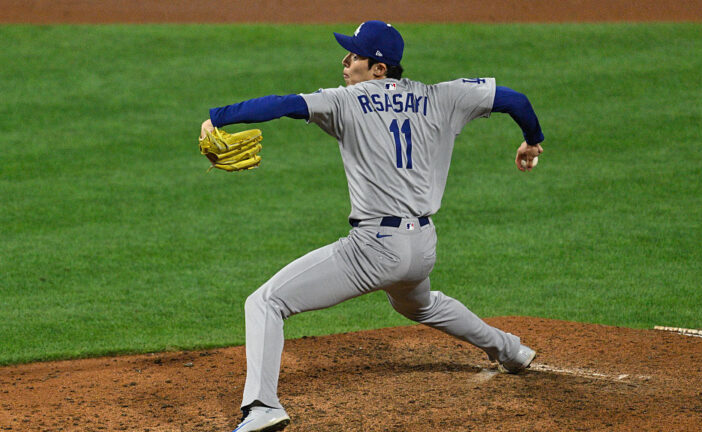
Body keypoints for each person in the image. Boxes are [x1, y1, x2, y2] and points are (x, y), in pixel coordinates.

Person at [201, 20, 545, 432]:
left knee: (266, 302)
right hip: (422, 245)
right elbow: (516, 99)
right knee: (419, 305)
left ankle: (262, 406)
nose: (345, 62)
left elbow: (282, 104)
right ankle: (510, 350)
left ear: (379, 68)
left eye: (355, 55)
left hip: (374, 248)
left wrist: (217, 117)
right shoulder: (444, 96)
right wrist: (532, 139)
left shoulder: (346, 101)